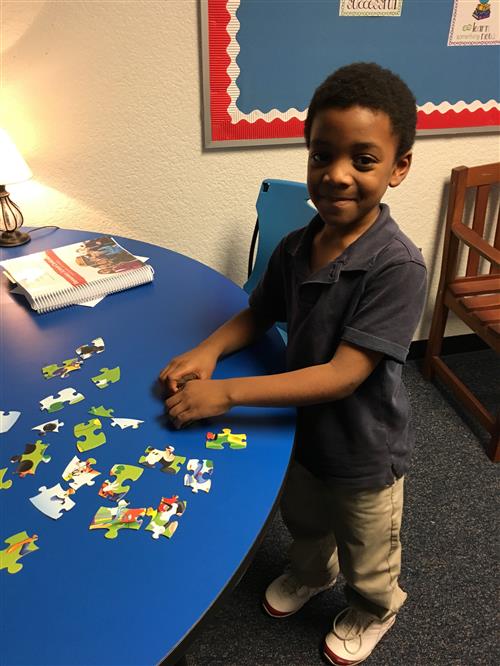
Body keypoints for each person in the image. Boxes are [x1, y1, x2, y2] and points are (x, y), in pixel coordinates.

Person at [159, 62, 427, 665]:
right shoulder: (296, 244)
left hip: (363, 447)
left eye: (362, 160)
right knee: (304, 520)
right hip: (299, 434)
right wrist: (207, 351)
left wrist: (226, 395)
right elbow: (258, 312)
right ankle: (312, 575)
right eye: (320, 155)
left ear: (399, 167)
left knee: (368, 546)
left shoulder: (398, 266)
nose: (335, 176)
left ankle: (375, 608)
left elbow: (344, 375)